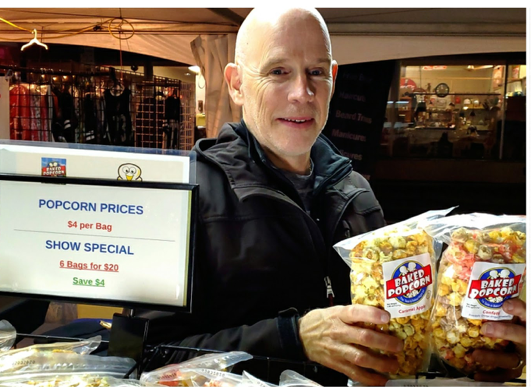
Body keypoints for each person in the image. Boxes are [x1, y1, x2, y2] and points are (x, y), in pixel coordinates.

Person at [142, 7, 526, 386]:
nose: (302, 93)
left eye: (316, 73)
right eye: (278, 72)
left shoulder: (357, 191)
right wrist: (294, 339)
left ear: (333, 78)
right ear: (237, 84)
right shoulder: (186, 194)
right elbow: (140, 354)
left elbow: (398, 336)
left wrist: (466, 351)